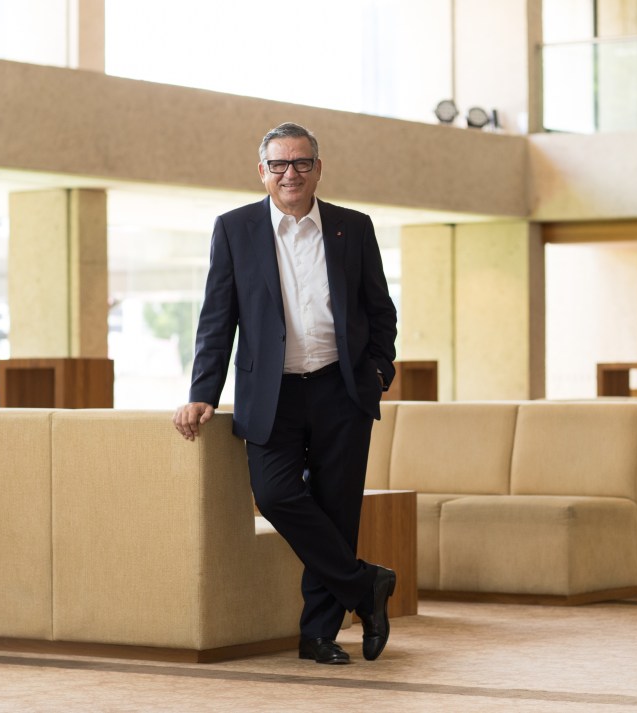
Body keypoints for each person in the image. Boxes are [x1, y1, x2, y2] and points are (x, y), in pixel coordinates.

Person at [173, 122, 398, 665]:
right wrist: (204, 390)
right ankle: (365, 585)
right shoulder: (235, 229)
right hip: (270, 394)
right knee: (275, 495)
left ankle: (318, 635)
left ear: (318, 168)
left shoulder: (353, 227)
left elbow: (379, 308)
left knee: (337, 510)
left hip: (340, 389)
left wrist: (377, 372)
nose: (289, 174)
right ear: (262, 172)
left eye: (300, 163)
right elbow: (217, 316)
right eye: (278, 165)